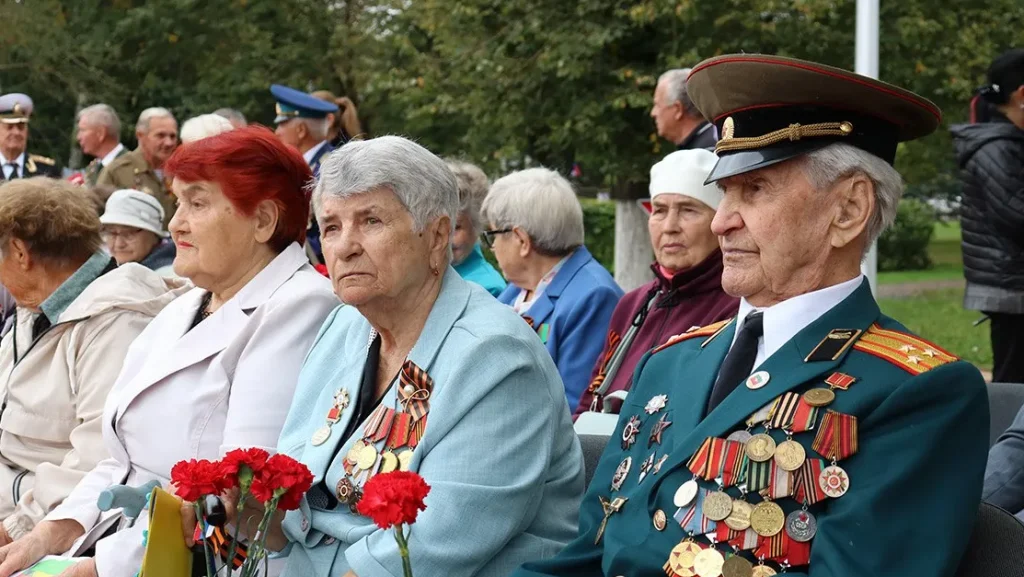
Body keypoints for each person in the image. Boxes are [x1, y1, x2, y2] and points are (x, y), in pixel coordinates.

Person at [513, 54, 988, 577]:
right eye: (724, 193)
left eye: (755, 190)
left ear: (848, 211)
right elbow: (585, 558)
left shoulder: (916, 392)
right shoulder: (670, 362)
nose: (720, 222)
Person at [178, 135, 582, 577]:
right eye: (331, 227)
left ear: (437, 237)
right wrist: (239, 507)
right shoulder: (344, 328)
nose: (345, 246)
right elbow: (297, 517)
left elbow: (435, 546)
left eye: (371, 221)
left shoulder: (495, 356)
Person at [0, 127, 338, 577]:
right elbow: (118, 459)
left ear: (263, 221)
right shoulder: (186, 304)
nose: (175, 223)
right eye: (178, 202)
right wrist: (48, 532)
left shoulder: (301, 307)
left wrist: (99, 567)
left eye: (196, 204)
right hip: (121, 544)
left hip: (214, 563)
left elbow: (240, 494)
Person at [0, 177, 184, 547]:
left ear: (20, 252)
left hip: (39, 523)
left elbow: (98, 461)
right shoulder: (37, 305)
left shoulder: (116, 321)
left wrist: (15, 529)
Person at [574, 149, 738, 420]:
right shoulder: (633, 304)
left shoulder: (735, 308)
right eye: (659, 211)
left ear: (718, 222)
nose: (669, 226)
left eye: (688, 210)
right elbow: (591, 400)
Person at [485, 168, 623, 410]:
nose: (492, 247)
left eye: (493, 234)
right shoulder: (517, 289)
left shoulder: (594, 297)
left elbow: (572, 405)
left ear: (522, 240)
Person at [951, 48, 1024, 384]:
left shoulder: (1008, 142)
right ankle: (1010, 438)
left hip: (1012, 285)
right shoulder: (996, 147)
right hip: (1012, 287)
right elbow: (1015, 212)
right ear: (1022, 96)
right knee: (1014, 383)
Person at [272, 84, 339, 266]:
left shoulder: (332, 168)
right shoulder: (303, 167)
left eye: (282, 124)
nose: (276, 132)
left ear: (301, 130)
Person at [97, 107, 179, 228]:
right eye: (160, 135)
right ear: (140, 135)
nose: (169, 143)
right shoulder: (117, 171)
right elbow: (98, 216)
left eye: (173, 136)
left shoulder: (178, 172)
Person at [447, 160, 506, 297]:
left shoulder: (489, 288)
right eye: (437, 227)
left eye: (456, 227)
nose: (445, 237)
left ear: (477, 227)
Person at [100, 189, 176, 276]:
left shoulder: (169, 277)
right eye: (111, 232)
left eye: (128, 233)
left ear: (155, 235)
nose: (119, 244)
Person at [650, 69, 717, 150]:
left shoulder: (707, 153)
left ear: (678, 109)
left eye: (657, 105)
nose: (653, 113)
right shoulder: (715, 143)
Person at [0, 94, 59, 180]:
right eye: (10, 127)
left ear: (27, 132)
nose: (16, 132)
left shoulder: (46, 170)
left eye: (21, 127)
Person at [76, 104, 126, 187]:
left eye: (83, 130)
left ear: (100, 133)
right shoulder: (94, 168)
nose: (78, 137)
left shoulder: (127, 167)